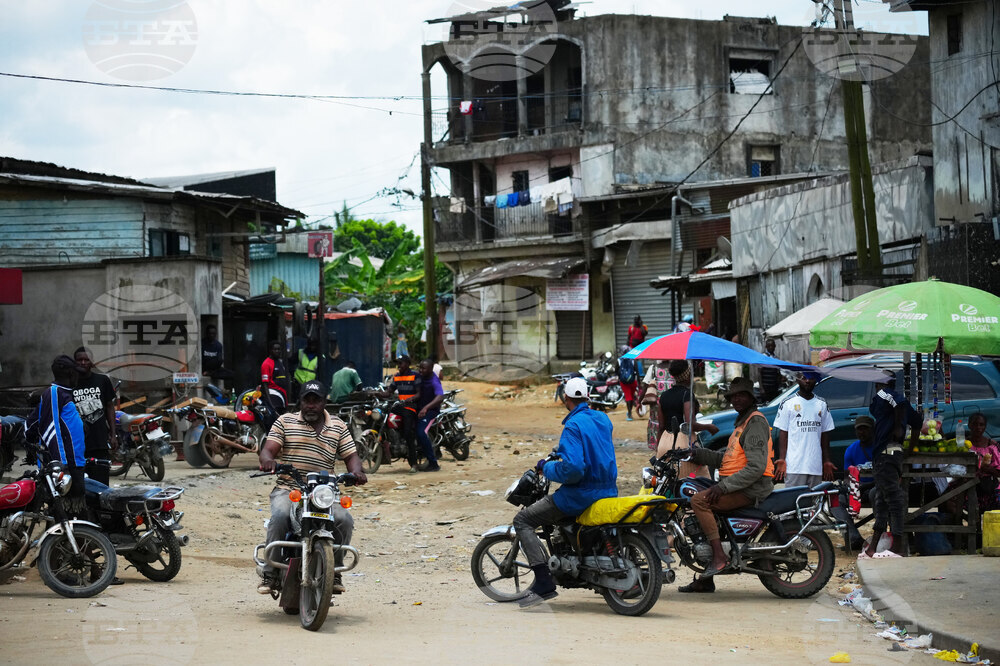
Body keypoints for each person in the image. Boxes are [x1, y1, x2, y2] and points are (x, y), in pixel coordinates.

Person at [513, 376, 617, 608]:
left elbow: (574, 469)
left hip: (581, 493)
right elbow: (594, 449)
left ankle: (543, 582)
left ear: (565, 398)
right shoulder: (603, 418)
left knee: (523, 520)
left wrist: (547, 467)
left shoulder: (572, 425)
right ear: (588, 397)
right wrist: (562, 450)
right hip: (608, 490)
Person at [257, 379, 368, 595]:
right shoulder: (285, 421)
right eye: (306, 400)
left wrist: (357, 472)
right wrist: (268, 460)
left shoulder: (338, 426)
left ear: (324, 402)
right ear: (299, 401)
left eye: (315, 401)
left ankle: (334, 571)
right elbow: (267, 450)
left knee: (344, 520)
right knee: (280, 517)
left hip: (324, 491)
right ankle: (270, 574)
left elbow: (351, 456)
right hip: (290, 489)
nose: (310, 405)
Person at [679, 377, 774, 593]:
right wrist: (697, 453)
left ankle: (719, 557)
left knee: (699, 501)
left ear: (751, 397)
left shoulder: (755, 423)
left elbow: (756, 467)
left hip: (751, 488)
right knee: (697, 491)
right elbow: (728, 460)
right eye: (734, 396)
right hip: (739, 484)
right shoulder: (741, 423)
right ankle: (705, 579)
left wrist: (721, 487)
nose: (737, 399)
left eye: (741, 395)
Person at [864, 371, 921, 558]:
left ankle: (898, 547)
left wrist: (898, 426)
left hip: (886, 454)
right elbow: (918, 422)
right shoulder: (885, 403)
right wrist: (910, 449)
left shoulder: (885, 394)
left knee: (893, 500)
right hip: (890, 454)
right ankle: (873, 547)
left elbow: (899, 402)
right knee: (881, 499)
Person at [25, 356, 87, 515]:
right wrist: (62, 465)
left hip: (75, 461)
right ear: (70, 373)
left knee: (75, 510)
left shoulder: (63, 393)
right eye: (76, 372)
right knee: (64, 512)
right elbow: (51, 429)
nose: (78, 376)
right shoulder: (54, 392)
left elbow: (32, 423)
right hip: (67, 464)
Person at [773, 371, 836, 488]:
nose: (807, 381)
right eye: (803, 378)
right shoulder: (788, 403)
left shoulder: (821, 404)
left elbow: (825, 435)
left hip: (815, 466)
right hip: (795, 466)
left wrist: (826, 461)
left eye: (811, 378)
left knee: (813, 502)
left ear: (816, 381)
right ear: (797, 380)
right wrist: (782, 459)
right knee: (794, 501)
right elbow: (783, 433)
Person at [72, 347, 117, 486]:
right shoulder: (69, 383)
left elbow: (109, 407)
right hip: (77, 444)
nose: (83, 363)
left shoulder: (102, 380)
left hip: (99, 442)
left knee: (101, 485)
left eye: (87, 360)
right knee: (79, 486)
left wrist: (113, 434)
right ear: (75, 362)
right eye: (80, 360)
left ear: (92, 362)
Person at [835, 415, 877, 550]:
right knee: (835, 500)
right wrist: (852, 488)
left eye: (865, 429)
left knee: (876, 494)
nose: (862, 432)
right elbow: (847, 477)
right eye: (859, 429)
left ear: (873, 430)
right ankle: (854, 537)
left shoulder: (880, 447)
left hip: (876, 488)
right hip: (858, 489)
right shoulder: (851, 450)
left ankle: (880, 537)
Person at [946, 412, 1000, 515]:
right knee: (948, 501)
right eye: (975, 424)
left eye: (981, 424)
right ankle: (965, 525)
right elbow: (953, 467)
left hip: (988, 485)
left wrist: (988, 469)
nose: (978, 427)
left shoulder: (991, 445)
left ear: (985, 426)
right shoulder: (963, 444)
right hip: (966, 483)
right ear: (969, 425)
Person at [656, 360, 718, 449]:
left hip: (665, 443)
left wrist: (658, 448)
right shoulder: (687, 395)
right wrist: (709, 427)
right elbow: (690, 425)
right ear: (688, 376)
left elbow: (661, 426)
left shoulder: (664, 395)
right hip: (683, 443)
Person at [378, 355, 421, 473]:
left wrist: (410, 399)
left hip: (411, 407)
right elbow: (389, 392)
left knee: (408, 433)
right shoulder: (396, 377)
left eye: (401, 363)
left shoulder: (415, 375)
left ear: (407, 364)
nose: (399, 366)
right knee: (383, 416)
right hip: (400, 406)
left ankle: (414, 464)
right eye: (398, 363)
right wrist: (376, 393)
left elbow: (419, 394)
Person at [414, 359, 443, 472]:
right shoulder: (420, 377)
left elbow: (440, 397)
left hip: (431, 412)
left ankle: (433, 463)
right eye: (419, 368)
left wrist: (426, 408)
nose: (420, 370)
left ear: (431, 369)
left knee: (421, 433)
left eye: (423, 368)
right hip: (418, 409)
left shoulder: (434, 381)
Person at [639, 360, 672, 450]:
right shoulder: (676, 367)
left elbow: (646, 386)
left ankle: (659, 449)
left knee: (658, 425)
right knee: (672, 424)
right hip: (673, 402)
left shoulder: (653, 368)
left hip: (657, 405)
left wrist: (639, 401)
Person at [260, 340, 290, 413]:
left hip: (282, 396)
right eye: (275, 349)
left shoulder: (280, 362)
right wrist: (270, 403)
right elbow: (265, 384)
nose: (277, 351)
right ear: (270, 350)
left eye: (279, 349)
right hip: (274, 397)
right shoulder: (266, 364)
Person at [756, 338, 784, 403]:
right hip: (766, 387)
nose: (771, 347)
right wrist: (761, 388)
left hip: (774, 387)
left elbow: (777, 372)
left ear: (775, 346)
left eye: (772, 346)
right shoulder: (763, 357)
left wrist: (781, 378)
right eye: (769, 346)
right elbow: (759, 373)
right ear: (766, 347)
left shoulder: (776, 358)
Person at [292, 339, 319, 403]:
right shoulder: (300, 353)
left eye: (314, 345)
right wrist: (292, 373)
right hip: (298, 381)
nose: (312, 347)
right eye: (311, 345)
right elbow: (290, 362)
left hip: (311, 383)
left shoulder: (319, 356)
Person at [616, 346, 639, 421]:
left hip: (623, 382)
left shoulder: (619, 360)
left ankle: (629, 413)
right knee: (631, 397)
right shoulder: (633, 360)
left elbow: (616, 371)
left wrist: (620, 377)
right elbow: (637, 372)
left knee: (628, 397)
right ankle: (630, 411)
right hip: (633, 381)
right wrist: (639, 382)